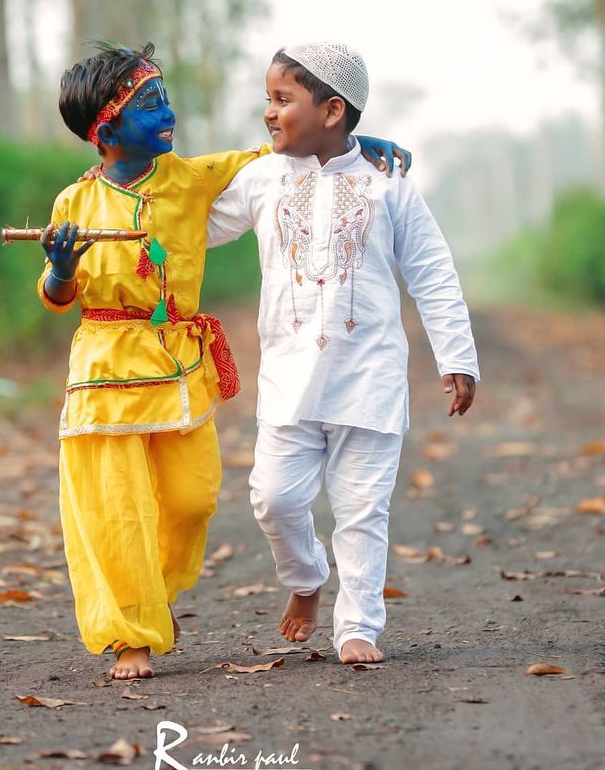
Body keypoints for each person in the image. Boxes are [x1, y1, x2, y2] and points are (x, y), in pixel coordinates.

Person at [38, 41, 411, 679]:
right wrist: (62, 266)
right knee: (115, 506)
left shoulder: (193, 178)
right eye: (151, 106)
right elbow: (55, 297)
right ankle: (131, 633)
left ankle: (152, 595)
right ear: (105, 130)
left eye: (166, 100)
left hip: (178, 367)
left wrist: (352, 138)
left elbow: (287, 152)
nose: (168, 114)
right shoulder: (73, 204)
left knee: (191, 500)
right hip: (100, 370)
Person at [206, 42, 479, 665]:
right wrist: (116, 183)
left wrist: (456, 357)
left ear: (332, 111)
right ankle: (306, 580)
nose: (268, 113)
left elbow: (433, 272)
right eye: (267, 100)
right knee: (274, 499)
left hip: (369, 379)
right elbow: (192, 226)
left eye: (282, 100)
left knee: (361, 511)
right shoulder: (262, 179)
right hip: (288, 381)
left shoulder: (389, 183)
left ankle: (358, 626)